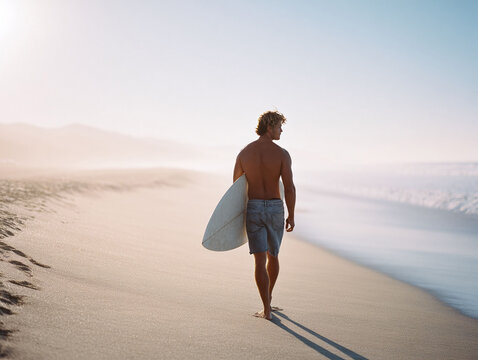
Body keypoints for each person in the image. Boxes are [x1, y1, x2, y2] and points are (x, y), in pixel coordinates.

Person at [233, 110, 296, 320]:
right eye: (279, 126)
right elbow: (289, 188)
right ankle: (268, 298)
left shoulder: (244, 154)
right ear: (269, 127)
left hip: (254, 207)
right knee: (273, 255)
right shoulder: (282, 154)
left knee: (259, 261)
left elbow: (236, 189)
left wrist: (239, 217)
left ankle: (266, 309)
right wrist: (292, 215)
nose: (281, 130)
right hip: (275, 208)